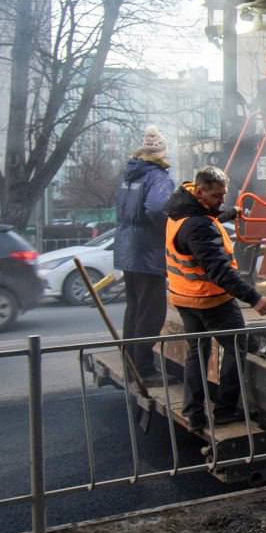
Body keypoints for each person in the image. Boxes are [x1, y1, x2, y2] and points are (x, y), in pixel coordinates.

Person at [164, 166, 266, 430]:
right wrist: (254, 298)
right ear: (200, 192)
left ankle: (195, 414)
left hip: (184, 298)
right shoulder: (198, 226)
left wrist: (230, 214)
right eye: (216, 196)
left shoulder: (180, 211)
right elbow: (219, 271)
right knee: (237, 348)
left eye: (224, 195)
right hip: (211, 301)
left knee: (197, 353)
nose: (221, 201)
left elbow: (207, 218)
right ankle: (225, 410)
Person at [114, 126, 175, 383]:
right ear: (161, 154)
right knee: (151, 312)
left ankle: (130, 365)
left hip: (127, 248)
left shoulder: (130, 175)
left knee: (134, 309)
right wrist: (170, 232)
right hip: (148, 250)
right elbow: (157, 208)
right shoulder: (158, 177)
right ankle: (144, 370)